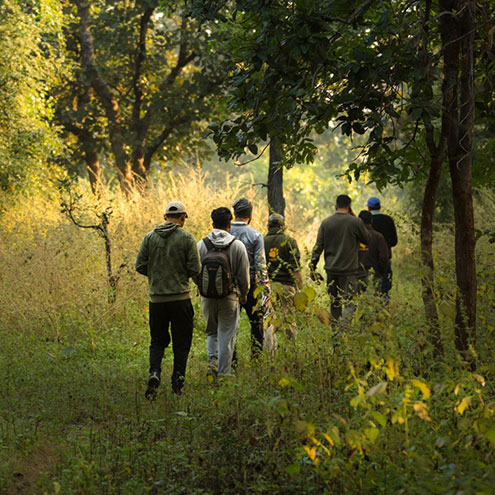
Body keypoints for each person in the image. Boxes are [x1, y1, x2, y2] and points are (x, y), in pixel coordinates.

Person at [135, 201, 201, 399]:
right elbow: (195, 269)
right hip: (180, 299)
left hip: (157, 301)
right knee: (181, 343)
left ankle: (155, 373)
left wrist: (156, 276)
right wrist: (180, 275)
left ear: (164, 217)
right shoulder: (187, 238)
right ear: (183, 218)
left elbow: (140, 265)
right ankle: (177, 385)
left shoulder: (149, 238)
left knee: (157, 341)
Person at [197, 207, 250, 377]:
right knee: (227, 334)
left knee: (211, 330)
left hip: (207, 297)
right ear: (229, 224)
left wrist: (202, 286)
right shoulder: (237, 246)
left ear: (212, 223)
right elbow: (244, 275)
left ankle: (212, 361)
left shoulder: (201, 244)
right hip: (230, 296)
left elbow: (194, 271)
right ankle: (224, 373)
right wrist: (243, 293)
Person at [310, 194, 370, 326]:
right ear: (349, 207)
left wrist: (312, 267)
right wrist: (355, 219)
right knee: (350, 303)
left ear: (335, 206)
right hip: (349, 271)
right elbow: (367, 239)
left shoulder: (326, 222)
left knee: (335, 303)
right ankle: (344, 329)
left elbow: (318, 247)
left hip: (331, 270)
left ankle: (336, 333)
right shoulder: (355, 222)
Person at [230, 197, 267, 356]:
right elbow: (260, 264)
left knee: (230, 325)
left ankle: (232, 360)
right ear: (250, 215)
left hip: (229, 286)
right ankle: (256, 357)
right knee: (256, 323)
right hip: (252, 285)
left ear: (234, 213)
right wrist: (265, 289)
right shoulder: (256, 235)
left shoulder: (226, 232)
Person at [263, 213, 302, 349]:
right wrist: (300, 289)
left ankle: (270, 351)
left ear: (268, 226)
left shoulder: (262, 241)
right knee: (289, 317)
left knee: (269, 318)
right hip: (287, 286)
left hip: (269, 286)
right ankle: (290, 349)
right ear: (283, 226)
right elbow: (295, 269)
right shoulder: (290, 242)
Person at [367, 197, 398, 298]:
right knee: (384, 288)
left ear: (368, 208)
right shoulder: (388, 220)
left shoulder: (365, 221)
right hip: (385, 257)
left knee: (367, 287)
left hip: (367, 259)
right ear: (380, 207)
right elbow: (394, 241)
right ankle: (383, 309)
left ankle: (369, 308)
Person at [357, 210, 390, 292]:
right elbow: (384, 257)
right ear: (371, 221)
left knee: (358, 300)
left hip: (357, 274)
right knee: (374, 300)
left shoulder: (354, 236)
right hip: (375, 273)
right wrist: (381, 271)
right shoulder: (378, 236)